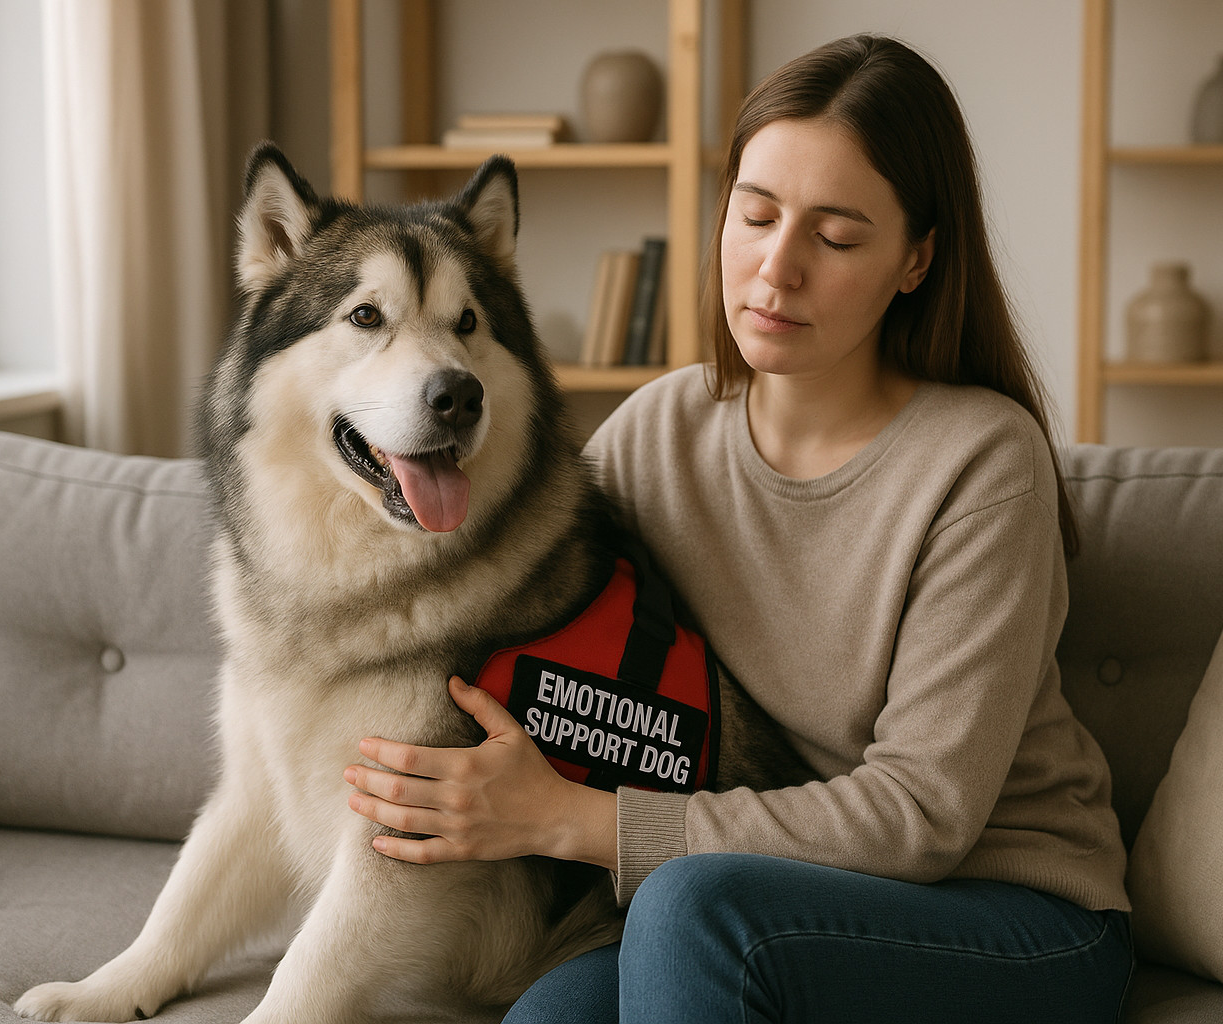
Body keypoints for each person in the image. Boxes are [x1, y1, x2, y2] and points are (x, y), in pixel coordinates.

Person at [343, 33, 1134, 1024]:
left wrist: (573, 820)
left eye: (835, 238)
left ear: (916, 260)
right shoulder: (659, 432)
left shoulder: (982, 462)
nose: (777, 267)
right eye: (755, 216)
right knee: (551, 1011)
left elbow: (921, 816)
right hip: (768, 893)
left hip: (1014, 914)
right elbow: (512, 588)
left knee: (686, 910)